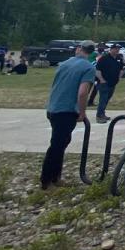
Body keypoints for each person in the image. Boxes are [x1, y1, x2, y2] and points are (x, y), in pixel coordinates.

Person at [41, 41, 96, 189]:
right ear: (91, 52)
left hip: (53, 107)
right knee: (57, 146)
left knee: (61, 143)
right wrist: (82, 112)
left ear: (79, 49)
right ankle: (46, 181)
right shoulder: (88, 67)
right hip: (67, 110)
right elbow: (83, 92)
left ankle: (56, 177)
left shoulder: (64, 64)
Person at [94, 43, 124, 124]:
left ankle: (102, 113)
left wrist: (119, 77)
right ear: (111, 49)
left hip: (113, 83)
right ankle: (99, 116)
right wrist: (101, 79)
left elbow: (121, 69)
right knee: (103, 100)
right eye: (116, 48)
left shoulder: (119, 58)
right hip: (104, 83)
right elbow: (97, 70)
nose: (117, 50)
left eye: (118, 49)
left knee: (107, 99)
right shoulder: (104, 58)